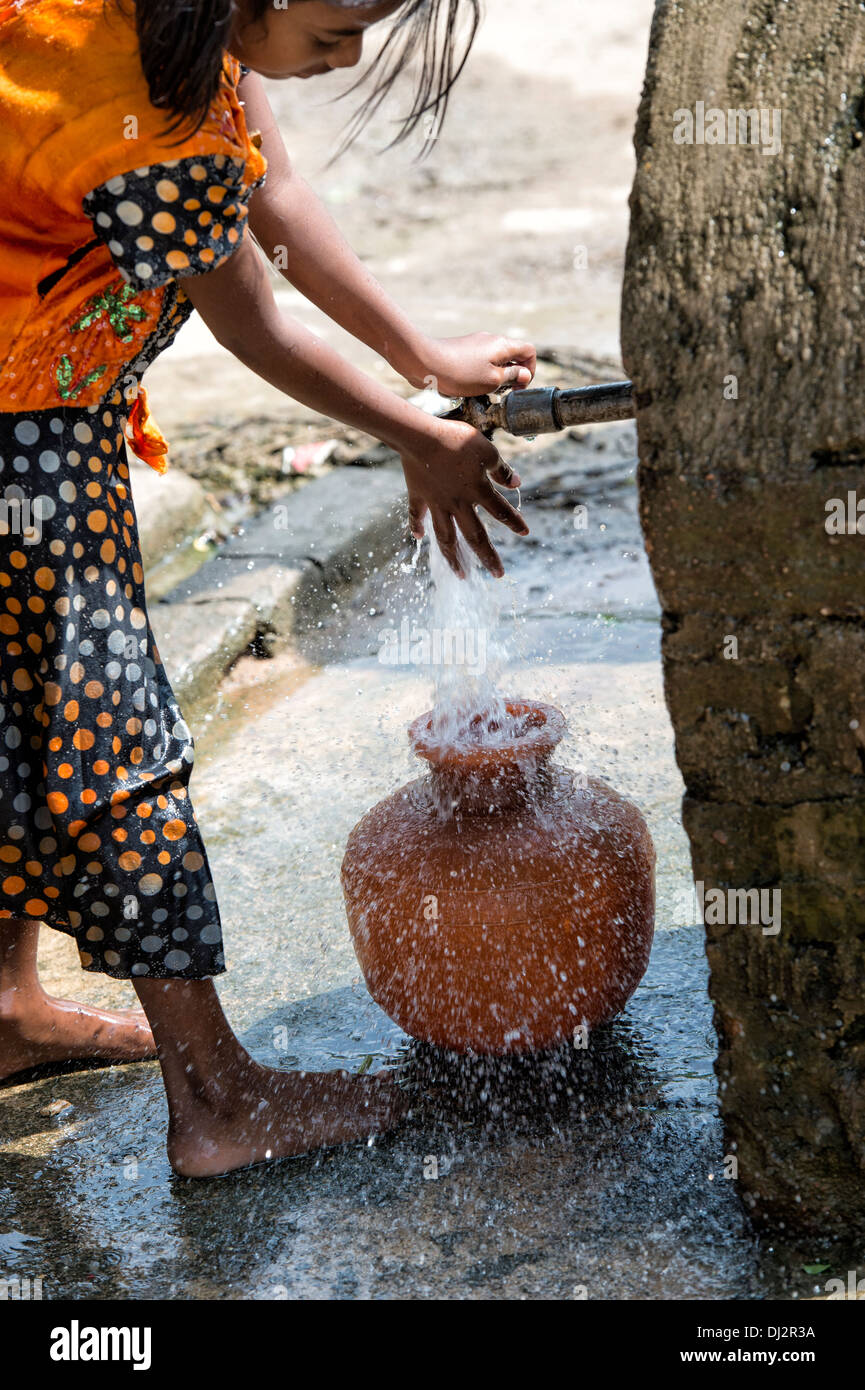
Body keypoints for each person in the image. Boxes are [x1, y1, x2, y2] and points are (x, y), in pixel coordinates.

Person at [0, 0, 534, 1176]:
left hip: (34, 412)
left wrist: (423, 360)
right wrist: (416, 438)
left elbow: (274, 203)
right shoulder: (149, 133)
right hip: (22, 447)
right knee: (111, 740)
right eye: (337, 28)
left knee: (26, 717)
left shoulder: (169, 28)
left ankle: (6, 1007)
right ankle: (218, 1102)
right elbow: (257, 321)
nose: (345, 58)